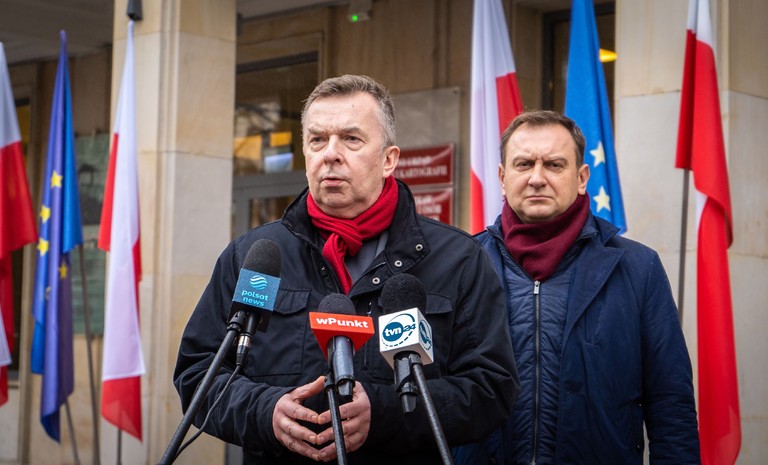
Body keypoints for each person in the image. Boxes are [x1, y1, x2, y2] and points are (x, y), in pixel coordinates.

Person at [173, 74, 519, 464]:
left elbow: (492, 389)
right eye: (317, 140)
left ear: (389, 160)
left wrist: (387, 413)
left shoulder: (458, 259)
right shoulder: (254, 257)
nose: (330, 154)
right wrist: (264, 412)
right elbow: (197, 373)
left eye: (351, 139)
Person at [453, 110, 700, 465]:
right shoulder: (462, 265)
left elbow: (670, 402)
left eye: (554, 165)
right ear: (503, 178)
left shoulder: (638, 268)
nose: (537, 178)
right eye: (524, 164)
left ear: (582, 178)